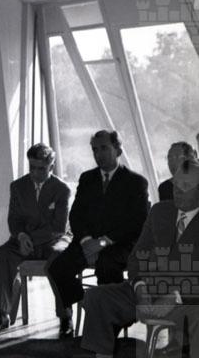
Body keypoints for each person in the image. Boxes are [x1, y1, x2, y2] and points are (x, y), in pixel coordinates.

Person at [80, 158, 199, 358]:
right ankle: (102, 355)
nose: (178, 191)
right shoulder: (160, 211)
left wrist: (176, 297)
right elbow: (136, 257)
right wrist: (140, 287)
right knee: (98, 297)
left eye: (186, 186)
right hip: (148, 291)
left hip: (188, 299)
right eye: (176, 184)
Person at [47, 130, 150, 338]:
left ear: (118, 150)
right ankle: (88, 304)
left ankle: (111, 322)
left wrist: (102, 242)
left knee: (107, 265)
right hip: (86, 242)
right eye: (95, 149)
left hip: (119, 244)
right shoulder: (87, 179)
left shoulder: (136, 182)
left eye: (104, 148)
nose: (98, 154)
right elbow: (76, 215)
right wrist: (86, 241)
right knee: (57, 267)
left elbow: (137, 223)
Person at [0, 144, 70, 332]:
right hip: (23, 239)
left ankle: (65, 316)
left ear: (51, 166)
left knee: (60, 258)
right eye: (32, 167)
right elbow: (13, 220)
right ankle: (2, 314)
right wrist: (21, 235)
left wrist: (29, 238)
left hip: (53, 241)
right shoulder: (17, 187)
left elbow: (58, 227)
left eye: (41, 168)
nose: (35, 173)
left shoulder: (62, 189)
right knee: (1, 255)